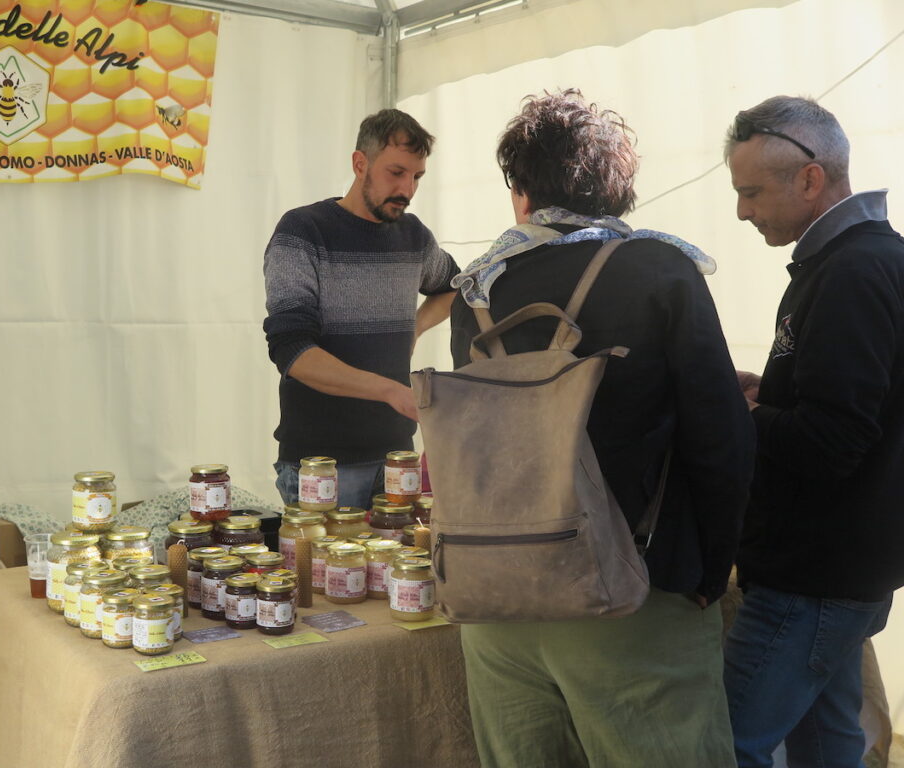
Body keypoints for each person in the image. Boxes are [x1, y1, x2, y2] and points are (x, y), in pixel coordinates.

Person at [449, 89, 754, 768]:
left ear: (520, 190)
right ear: (619, 193)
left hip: (500, 601)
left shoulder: (477, 291)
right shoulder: (659, 269)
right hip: (629, 593)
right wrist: (713, 567)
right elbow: (722, 440)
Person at [722, 96, 904, 768]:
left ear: (808, 179)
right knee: (827, 745)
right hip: (841, 567)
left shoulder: (854, 272)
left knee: (726, 745)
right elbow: (864, 407)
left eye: (750, 192)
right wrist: (775, 395)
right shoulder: (858, 261)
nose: (743, 210)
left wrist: (744, 416)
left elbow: (834, 442)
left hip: (813, 575)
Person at [263, 109, 458, 508]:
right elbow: (293, 353)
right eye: (396, 172)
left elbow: (457, 289)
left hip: (396, 458)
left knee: (401, 571)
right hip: (321, 465)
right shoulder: (303, 232)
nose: (407, 188)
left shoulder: (414, 236)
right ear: (359, 163)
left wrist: (415, 328)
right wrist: (389, 390)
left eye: (417, 177)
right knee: (322, 571)